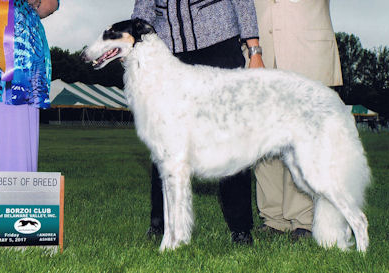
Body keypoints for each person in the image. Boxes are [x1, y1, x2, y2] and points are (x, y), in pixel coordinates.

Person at [132, 0, 265, 244]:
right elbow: (143, 9)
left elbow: (243, 3)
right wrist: (133, 41)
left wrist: (254, 50)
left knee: (231, 136)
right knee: (164, 140)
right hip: (170, 51)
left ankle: (240, 227)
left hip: (219, 45)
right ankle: (160, 224)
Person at [252, 0, 343, 237]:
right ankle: (273, 218)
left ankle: (302, 219)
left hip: (306, 50)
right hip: (259, 51)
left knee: (302, 142)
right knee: (264, 143)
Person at [0, 0, 60, 172]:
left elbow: (49, 5)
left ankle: (16, 187)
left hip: (21, 51)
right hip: (12, 40)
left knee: (17, 121)